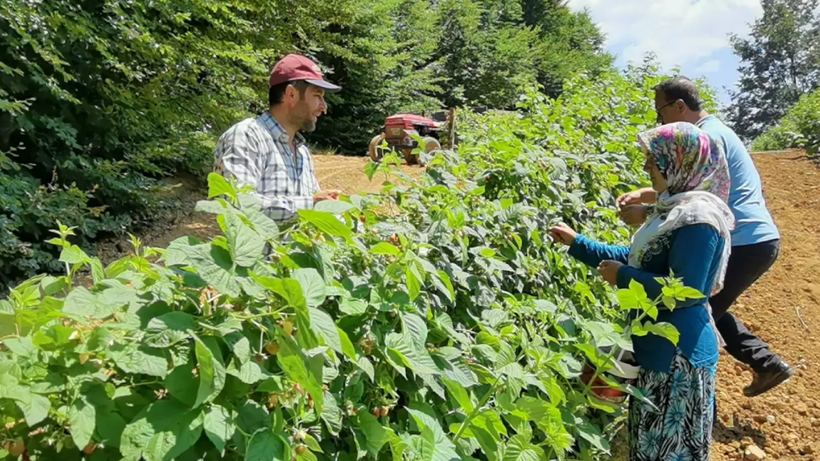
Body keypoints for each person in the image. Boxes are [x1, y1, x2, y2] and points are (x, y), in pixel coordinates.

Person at [551, 122, 733, 461]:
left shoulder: (699, 219)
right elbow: (641, 259)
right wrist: (579, 244)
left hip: (678, 358)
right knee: (649, 447)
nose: (647, 167)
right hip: (656, 348)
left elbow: (689, 290)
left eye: (654, 160)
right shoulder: (674, 210)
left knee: (668, 451)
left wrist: (625, 278)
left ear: (679, 161)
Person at [617, 76, 793, 397]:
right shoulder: (718, 131)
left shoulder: (706, 137)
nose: (660, 121)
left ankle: (689, 397)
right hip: (753, 236)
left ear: (679, 106)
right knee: (705, 303)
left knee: (690, 306)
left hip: (743, 238)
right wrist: (646, 195)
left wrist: (645, 214)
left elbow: (696, 205)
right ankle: (764, 363)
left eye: (661, 113)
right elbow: (687, 190)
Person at [214, 54, 343, 225]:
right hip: (256, 253)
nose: (324, 107)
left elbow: (320, 211)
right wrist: (310, 204)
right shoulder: (247, 136)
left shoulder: (302, 151)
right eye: (317, 95)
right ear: (291, 94)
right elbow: (237, 204)